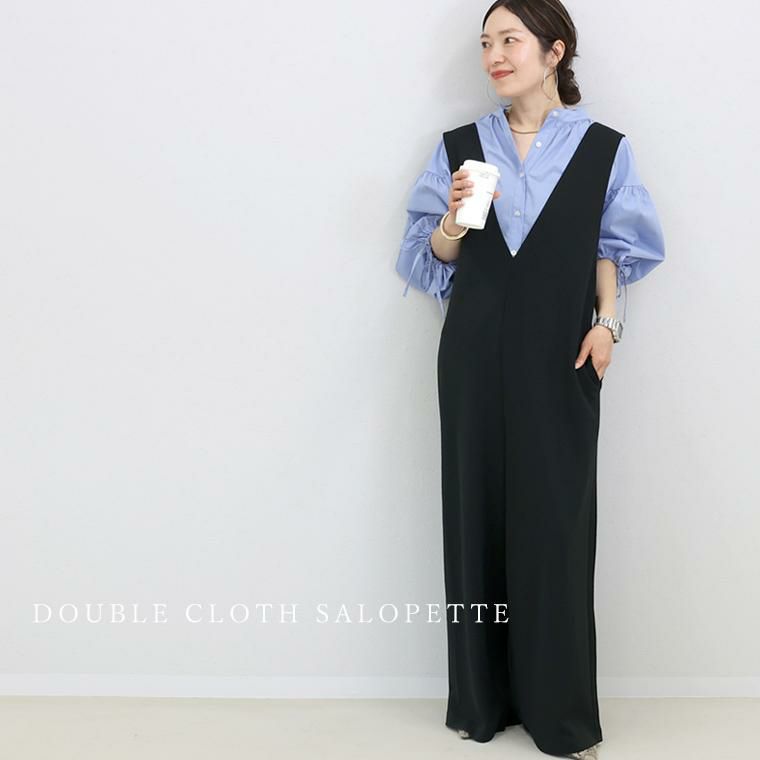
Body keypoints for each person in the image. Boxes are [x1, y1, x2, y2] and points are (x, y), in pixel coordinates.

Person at [395, 2, 665, 759]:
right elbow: (427, 259)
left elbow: (614, 247)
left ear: (555, 51)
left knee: (556, 525)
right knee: (475, 512)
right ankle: (481, 701)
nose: (495, 54)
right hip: (474, 353)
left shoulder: (603, 148)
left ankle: (560, 714)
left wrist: (606, 324)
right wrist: (453, 223)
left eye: (510, 39)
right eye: (486, 42)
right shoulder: (459, 148)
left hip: (563, 355)